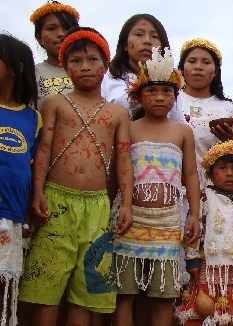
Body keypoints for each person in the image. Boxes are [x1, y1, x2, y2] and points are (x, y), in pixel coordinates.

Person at [19, 27, 133, 326]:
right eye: (76, 61)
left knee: (87, 286)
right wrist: (38, 192)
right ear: (65, 66)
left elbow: (123, 158)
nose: (85, 67)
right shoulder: (54, 103)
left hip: (97, 207)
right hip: (56, 202)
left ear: (105, 66)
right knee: (47, 283)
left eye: (93, 60)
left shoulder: (117, 113)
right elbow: (43, 149)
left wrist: (127, 204)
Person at [111, 47, 200, 326]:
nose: (160, 96)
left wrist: (194, 214)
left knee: (163, 295)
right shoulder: (129, 127)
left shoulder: (183, 131)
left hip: (167, 223)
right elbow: (119, 168)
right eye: (152, 91)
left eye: (166, 91)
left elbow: (191, 175)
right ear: (138, 96)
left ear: (175, 96)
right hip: (130, 220)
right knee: (124, 293)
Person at [180, 140, 233, 326]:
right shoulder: (204, 198)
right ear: (211, 173)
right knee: (205, 308)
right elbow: (192, 231)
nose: (229, 173)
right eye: (222, 168)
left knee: (232, 312)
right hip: (208, 268)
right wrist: (192, 260)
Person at [0, 32, 40, 326]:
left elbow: (33, 168)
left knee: (4, 290)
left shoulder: (32, 118)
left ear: (15, 68)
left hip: (12, 218)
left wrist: (31, 211)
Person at [177, 38, 233, 189]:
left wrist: (231, 140)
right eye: (192, 61)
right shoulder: (171, 101)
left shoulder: (228, 108)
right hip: (175, 188)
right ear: (182, 67)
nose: (198, 67)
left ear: (215, 72)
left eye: (206, 62)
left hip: (217, 193)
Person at [101, 14, 184, 123]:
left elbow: (178, 124)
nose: (147, 41)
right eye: (139, 34)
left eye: (154, 36)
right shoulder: (106, 80)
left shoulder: (170, 82)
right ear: (125, 44)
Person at [30, 1, 79, 109]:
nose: (61, 34)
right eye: (51, 28)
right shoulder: (32, 74)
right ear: (39, 38)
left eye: (67, 28)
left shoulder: (89, 71)